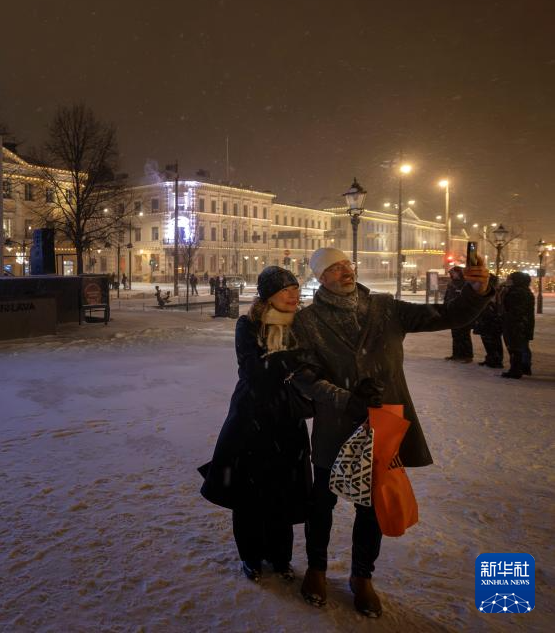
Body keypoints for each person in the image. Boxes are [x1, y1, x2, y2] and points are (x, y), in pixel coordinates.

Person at [291, 247, 493, 618]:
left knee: (372, 504)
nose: (345, 270)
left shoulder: (385, 308)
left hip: (383, 421)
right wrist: (345, 398)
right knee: (322, 502)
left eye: (346, 264)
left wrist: (476, 291)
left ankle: (361, 576)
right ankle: (317, 569)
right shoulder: (307, 321)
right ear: (320, 278)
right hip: (336, 423)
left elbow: (447, 315)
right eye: (334, 268)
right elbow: (303, 376)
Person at [198, 267, 313, 582]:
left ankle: (280, 557)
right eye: (286, 290)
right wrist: (292, 359)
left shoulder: (303, 325)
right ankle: (250, 556)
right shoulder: (248, 325)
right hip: (251, 419)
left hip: (287, 419)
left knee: (283, 489)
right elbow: (254, 373)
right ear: (268, 295)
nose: (293, 295)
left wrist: (287, 363)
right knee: (249, 492)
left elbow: (312, 367)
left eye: (295, 288)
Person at [499, 272, 534, 379]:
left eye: (510, 279)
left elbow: (511, 308)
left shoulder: (517, 292)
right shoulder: (523, 291)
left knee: (515, 347)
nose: (508, 280)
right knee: (520, 346)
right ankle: (522, 367)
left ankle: (516, 370)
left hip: (516, 324)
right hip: (520, 323)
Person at [444, 267, 474, 362]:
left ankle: (467, 355)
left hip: (463, 313)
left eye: (454, 273)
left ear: (459, 273)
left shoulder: (465, 283)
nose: (453, 274)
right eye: (452, 273)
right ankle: (456, 354)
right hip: (453, 312)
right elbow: (447, 297)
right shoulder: (451, 284)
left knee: (464, 335)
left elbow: (469, 298)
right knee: (455, 334)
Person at [473, 288, 504, 368]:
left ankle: (496, 360)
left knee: (494, 341)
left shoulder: (493, 292)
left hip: (491, 321)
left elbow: (497, 306)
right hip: (486, 320)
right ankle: (491, 358)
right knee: (488, 341)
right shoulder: (486, 291)